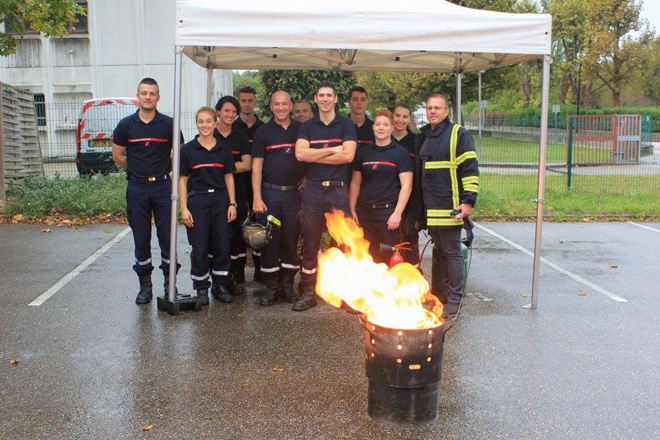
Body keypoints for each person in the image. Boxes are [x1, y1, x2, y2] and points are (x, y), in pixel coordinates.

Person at [112, 77, 183, 305]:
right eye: (144, 93)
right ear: (138, 96)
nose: (148, 97)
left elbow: (180, 154)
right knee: (141, 238)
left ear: (158, 97)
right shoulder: (126, 125)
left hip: (163, 186)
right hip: (137, 187)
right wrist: (135, 170)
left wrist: (165, 169)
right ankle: (145, 287)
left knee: (167, 237)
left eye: (152, 93)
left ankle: (168, 283)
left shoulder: (169, 124)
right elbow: (118, 155)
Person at [294, 82, 357, 311]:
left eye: (329, 95)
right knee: (309, 242)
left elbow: (348, 156)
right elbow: (301, 154)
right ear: (315, 98)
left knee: (343, 243)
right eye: (321, 95)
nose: (325, 99)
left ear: (336, 98)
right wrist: (332, 150)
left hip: (338, 191)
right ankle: (309, 291)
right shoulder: (308, 126)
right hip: (313, 190)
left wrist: (315, 155)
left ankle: (345, 295)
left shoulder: (347, 124)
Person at [416, 94, 479, 317]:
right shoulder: (425, 135)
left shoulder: (458, 134)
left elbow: (470, 167)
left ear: (446, 111)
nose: (432, 111)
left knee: (452, 252)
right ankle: (439, 296)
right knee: (440, 251)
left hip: (449, 205)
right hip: (430, 206)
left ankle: (454, 299)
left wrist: (468, 201)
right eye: (429, 108)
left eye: (437, 108)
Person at [251, 91, 306, 306]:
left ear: (291, 105)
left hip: (294, 195)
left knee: (291, 239)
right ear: (271, 107)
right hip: (270, 195)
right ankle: (272, 288)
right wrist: (257, 196)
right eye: (277, 104)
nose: (281, 108)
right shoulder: (263, 132)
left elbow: (312, 157)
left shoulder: (302, 130)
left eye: (285, 104)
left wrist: (308, 178)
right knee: (270, 240)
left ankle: (287, 286)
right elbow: (256, 166)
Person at [179, 107, 237, 305]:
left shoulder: (224, 148)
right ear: (197, 124)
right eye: (200, 121)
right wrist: (184, 208)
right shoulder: (187, 150)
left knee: (222, 243)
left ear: (215, 123)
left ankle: (219, 284)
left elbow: (229, 177)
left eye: (208, 121)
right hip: (198, 200)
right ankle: (201, 287)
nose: (204, 125)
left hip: (221, 200)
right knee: (200, 244)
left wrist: (232, 203)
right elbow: (182, 180)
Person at [349, 109, 413, 263]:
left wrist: (397, 214)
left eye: (385, 125)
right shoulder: (363, 153)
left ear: (392, 128)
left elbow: (407, 186)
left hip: (388, 214)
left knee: (389, 259)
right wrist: (352, 209)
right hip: (365, 213)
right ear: (373, 127)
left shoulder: (400, 153)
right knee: (366, 257)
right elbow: (355, 183)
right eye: (378, 124)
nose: (381, 128)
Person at [215, 96, 252, 294]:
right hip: (215, 193)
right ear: (218, 111)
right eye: (226, 110)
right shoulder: (210, 134)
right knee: (219, 236)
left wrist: (220, 167)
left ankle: (235, 276)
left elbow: (247, 164)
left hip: (238, 193)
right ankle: (219, 279)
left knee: (237, 236)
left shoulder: (240, 136)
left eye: (233, 112)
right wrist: (230, 168)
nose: (230, 115)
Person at [232, 86, 265, 282]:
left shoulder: (263, 127)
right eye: (243, 101)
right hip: (236, 183)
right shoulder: (232, 127)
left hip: (259, 184)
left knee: (259, 225)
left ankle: (260, 269)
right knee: (237, 228)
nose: (246, 104)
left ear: (255, 102)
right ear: (238, 102)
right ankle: (238, 271)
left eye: (250, 100)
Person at [392, 102, 422, 266]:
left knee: (409, 237)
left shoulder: (416, 141)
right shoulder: (384, 139)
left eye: (404, 117)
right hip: (387, 197)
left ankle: (412, 274)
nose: (400, 120)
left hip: (410, 200)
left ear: (409, 120)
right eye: (397, 116)